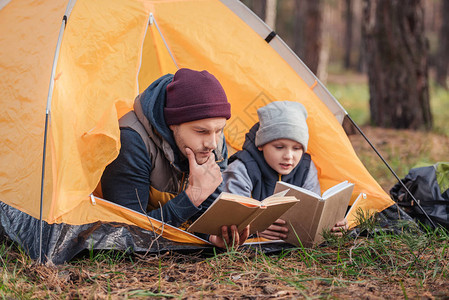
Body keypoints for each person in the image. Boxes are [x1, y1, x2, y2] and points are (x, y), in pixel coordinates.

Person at [101, 68, 249, 248]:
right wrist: (192, 197)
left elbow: (206, 210)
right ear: (172, 124)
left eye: (219, 130)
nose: (212, 143)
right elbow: (126, 233)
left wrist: (210, 235)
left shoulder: (214, 142)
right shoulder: (132, 140)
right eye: (201, 131)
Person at [222, 101, 347, 241]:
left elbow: (313, 212)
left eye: (297, 148)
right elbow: (229, 219)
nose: (289, 156)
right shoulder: (242, 168)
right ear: (261, 145)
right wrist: (255, 228)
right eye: (279, 147)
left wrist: (330, 225)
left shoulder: (305, 167)